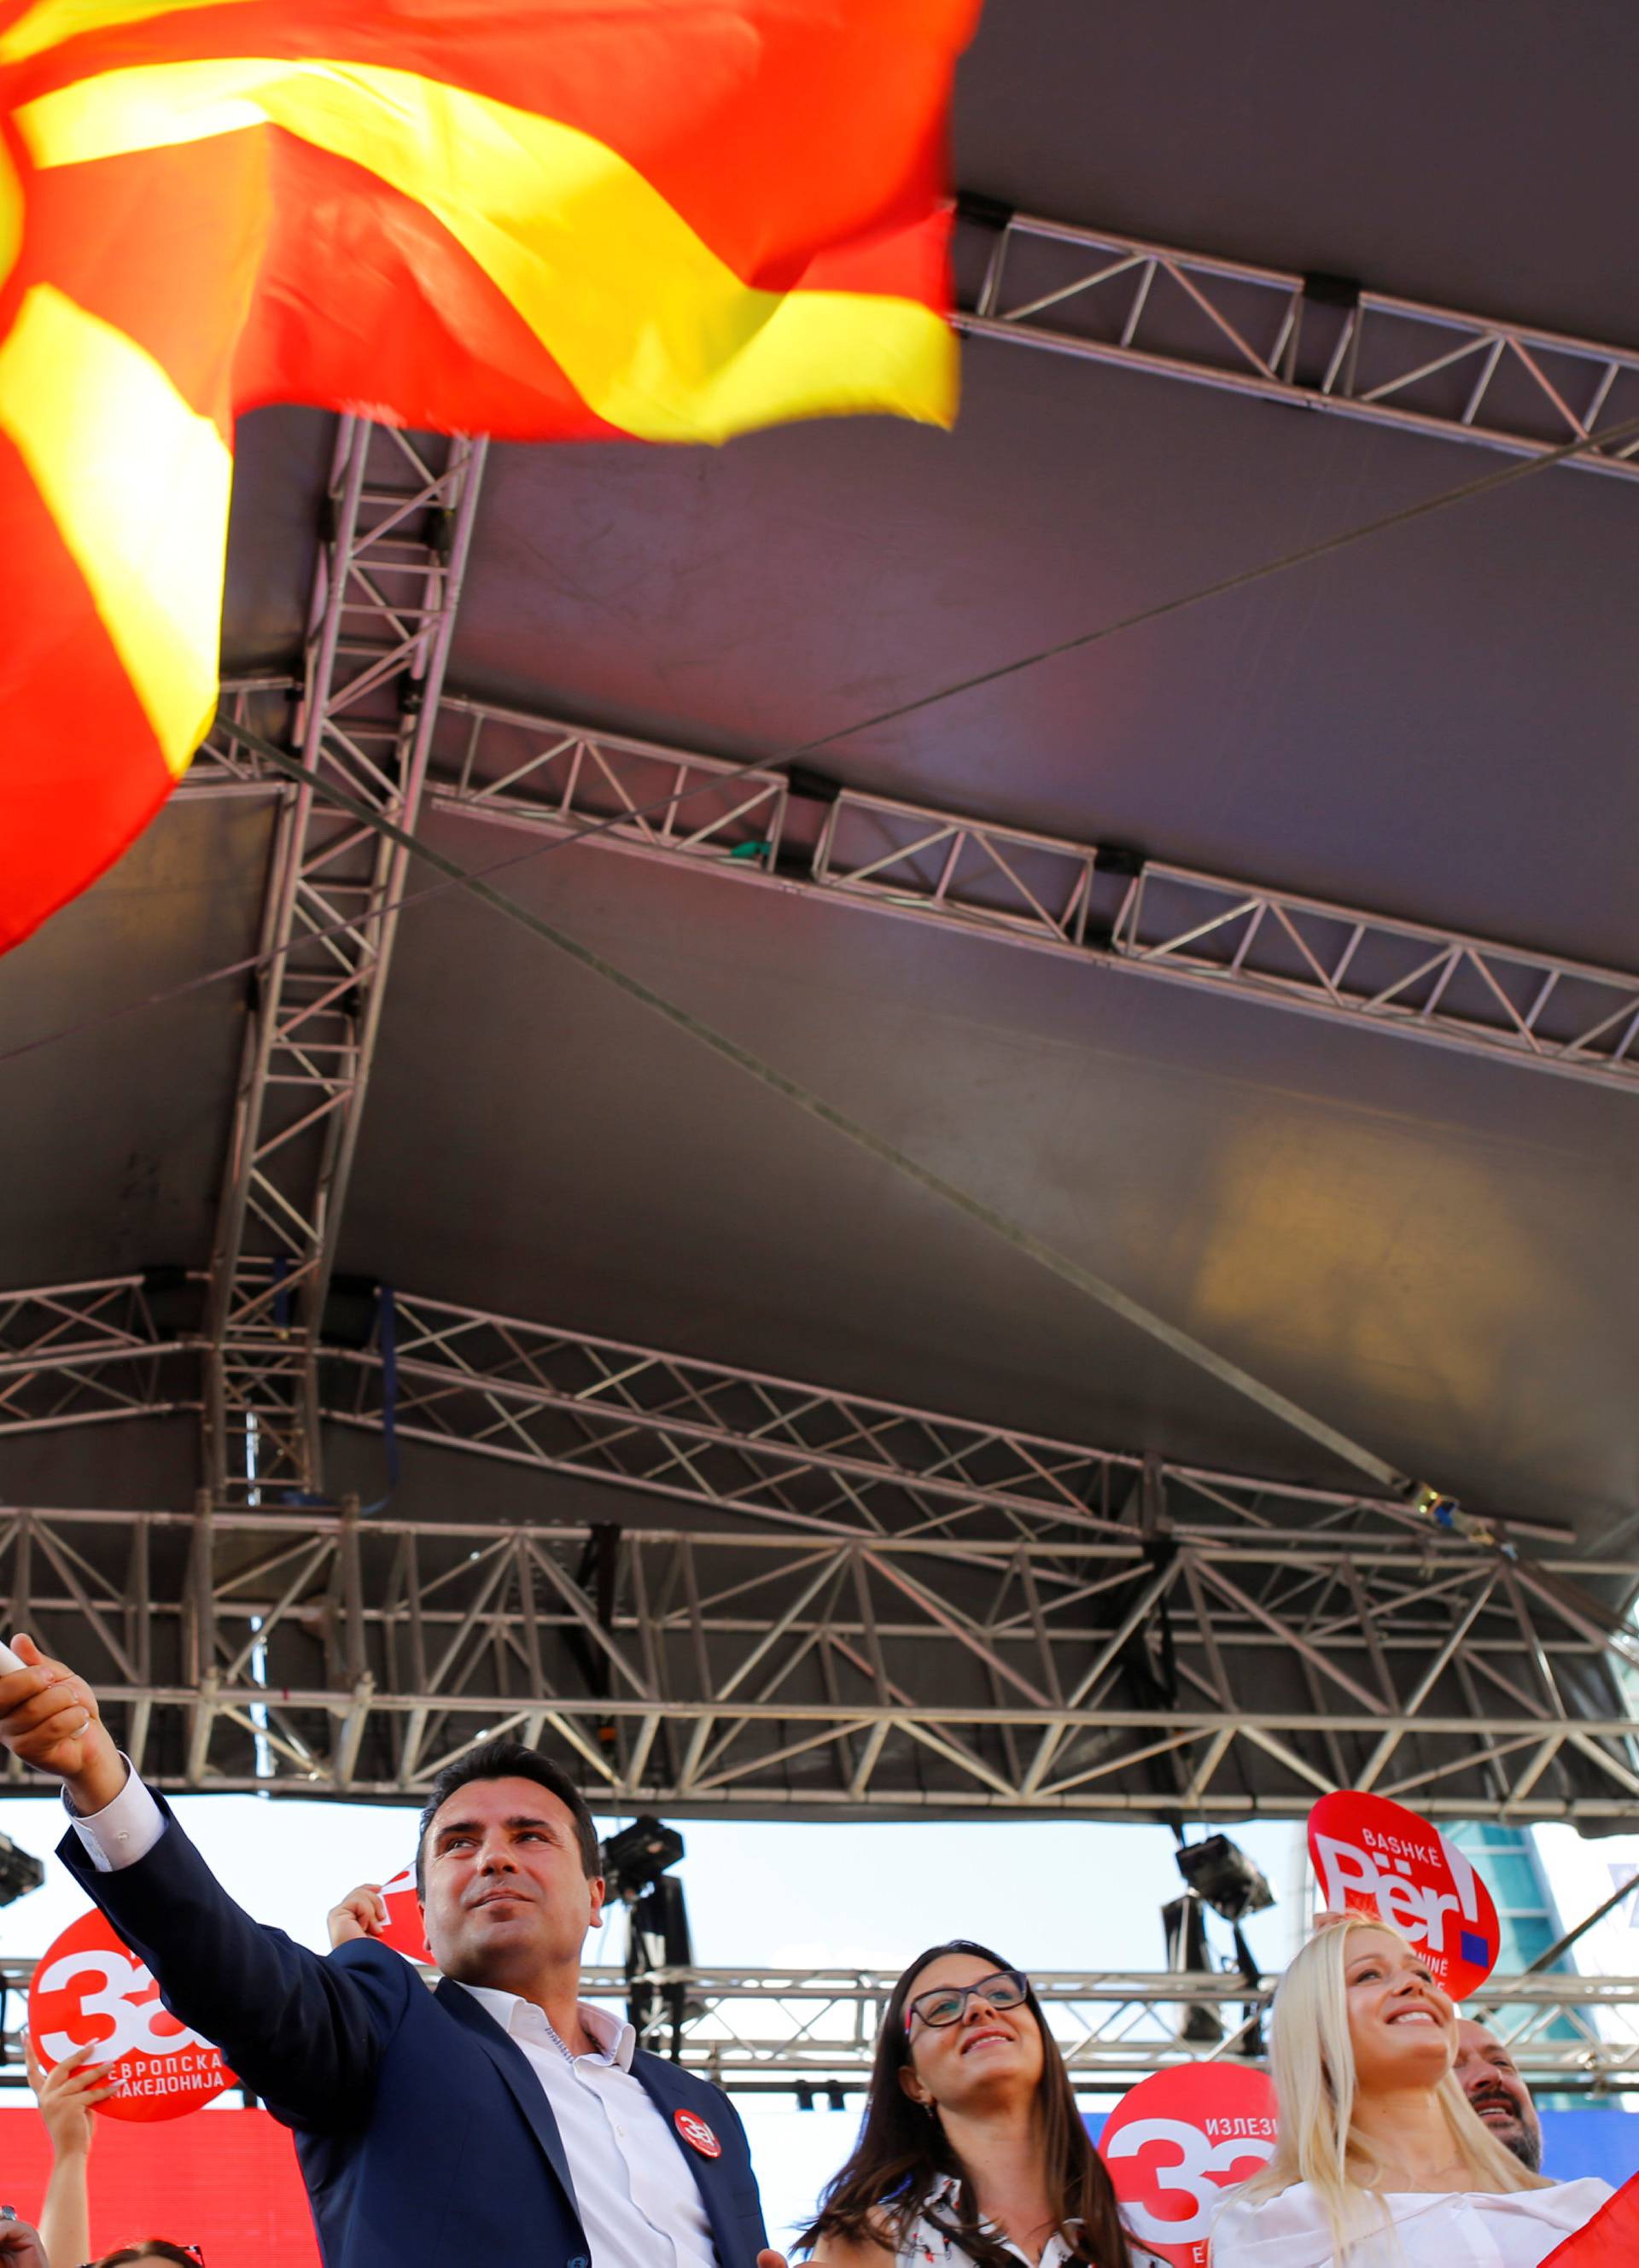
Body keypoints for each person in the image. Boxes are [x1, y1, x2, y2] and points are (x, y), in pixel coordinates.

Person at [0, 1634, 778, 2268]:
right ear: (427, 1924)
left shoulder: (702, 2109)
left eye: (530, 1836)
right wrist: (103, 1782)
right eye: (459, 1844)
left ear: (595, 1894)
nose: (493, 1858)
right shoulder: (386, 2022)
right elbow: (225, 1964)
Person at [1210, 1914, 1609, 2265]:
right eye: (1368, 1975)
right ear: (1314, 2034)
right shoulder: (1269, 2226)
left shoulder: (1588, 2208)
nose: (1411, 1985)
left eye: (1422, 1975)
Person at [790, 1939, 1136, 2266]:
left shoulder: (1142, 2236)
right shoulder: (869, 2240)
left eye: (1001, 1993)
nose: (979, 2008)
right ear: (915, 2083)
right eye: (942, 2007)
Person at [1454, 2018, 1543, 2174]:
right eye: (1451, 2066)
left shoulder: (1590, 2197)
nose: (1492, 2073)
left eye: (1501, 2063)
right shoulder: (1397, 2199)